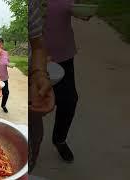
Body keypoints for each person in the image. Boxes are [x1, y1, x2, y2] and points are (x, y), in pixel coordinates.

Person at [42, 0, 91, 163]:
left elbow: (76, 10)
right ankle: (30, 142)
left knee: (69, 101)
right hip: (36, 59)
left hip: (64, 55)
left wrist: (84, 11)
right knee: (37, 104)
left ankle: (59, 140)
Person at [28, 0, 55, 174]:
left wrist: (39, 73)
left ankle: (31, 161)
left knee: (34, 125)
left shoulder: (30, 4)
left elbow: (37, 44)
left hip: (29, 86)